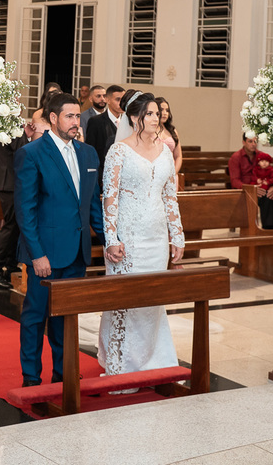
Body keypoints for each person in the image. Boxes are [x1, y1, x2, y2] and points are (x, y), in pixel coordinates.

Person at [15, 92, 104, 387]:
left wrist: (109, 241)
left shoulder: (88, 154)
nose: (76, 121)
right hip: (46, 254)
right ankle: (31, 377)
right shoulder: (32, 153)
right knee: (35, 316)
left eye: (78, 116)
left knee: (66, 316)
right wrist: (37, 254)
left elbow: (91, 206)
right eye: (69, 116)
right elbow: (25, 211)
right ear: (53, 118)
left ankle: (64, 372)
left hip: (77, 251)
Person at [98, 92, 185, 380]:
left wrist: (177, 236)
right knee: (126, 299)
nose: (156, 118)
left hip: (156, 239)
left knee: (152, 298)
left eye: (157, 113)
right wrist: (112, 239)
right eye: (149, 113)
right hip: (129, 238)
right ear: (135, 118)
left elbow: (170, 197)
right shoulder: (119, 151)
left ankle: (153, 361)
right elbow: (109, 198)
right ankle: (121, 365)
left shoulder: (164, 151)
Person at [0, 119, 43, 289]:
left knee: (16, 225)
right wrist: (32, 139)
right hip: (9, 181)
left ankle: (10, 265)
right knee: (11, 225)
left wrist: (27, 135)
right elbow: (22, 152)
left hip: (9, 180)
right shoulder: (9, 123)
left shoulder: (7, 122)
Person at [228, 133, 273, 229]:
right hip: (245, 190)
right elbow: (235, 181)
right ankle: (268, 229)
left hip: (260, 186)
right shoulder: (236, 157)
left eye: (255, 141)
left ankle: (272, 227)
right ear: (244, 142)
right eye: (250, 141)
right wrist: (252, 188)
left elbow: (271, 172)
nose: (253, 144)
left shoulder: (261, 155)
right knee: (265, 196)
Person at [84, 84, 125, 173]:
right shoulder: (95, 122)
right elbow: (90, 151)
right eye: (118, 99)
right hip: (103, 173)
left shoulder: (130, 122)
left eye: (124, 100)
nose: (122, 103)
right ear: (108, 100)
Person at [157, 98, 183, 181]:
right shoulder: (149, 131)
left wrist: (174, 173)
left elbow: (178, 156)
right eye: (161, 110)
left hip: (171, 174)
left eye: (167, 110)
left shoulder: (172, 130)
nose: (165, 113)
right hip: (155, 174)